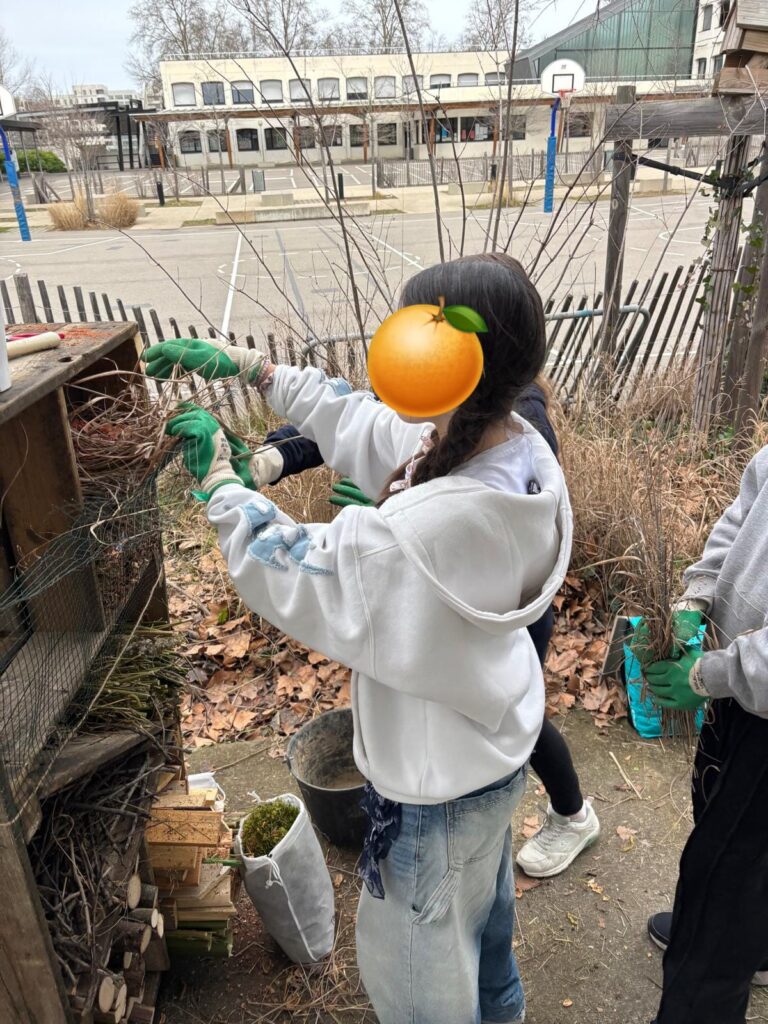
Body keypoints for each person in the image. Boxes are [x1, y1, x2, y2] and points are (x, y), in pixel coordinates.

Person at [146, 253, 572, 1024]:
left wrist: (218, 481)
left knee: (422, 998)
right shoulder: (516, 446)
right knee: (486, 954)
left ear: (448, 359)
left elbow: (296, 568)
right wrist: (256, 368)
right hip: (492, 758)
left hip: (433, 799)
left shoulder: (429, 530)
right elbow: (366, 421)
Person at [261, 383, 599, 878]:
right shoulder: (440, 384)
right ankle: (498, 825)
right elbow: (362, 417)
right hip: (449, 594)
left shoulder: (516, 413)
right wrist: (273, 456)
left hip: (494, 600)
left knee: (500, 709)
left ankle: (571, 816)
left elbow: (479, 517)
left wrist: (405, 507)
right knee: (485, 710)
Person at [637, 447, 768, 1024]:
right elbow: (743, 518)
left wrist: (711, 675)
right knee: (717, 813)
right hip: (741, 691)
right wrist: (699, 597)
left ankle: (720, 960)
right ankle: (759, 948)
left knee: (721, 885)